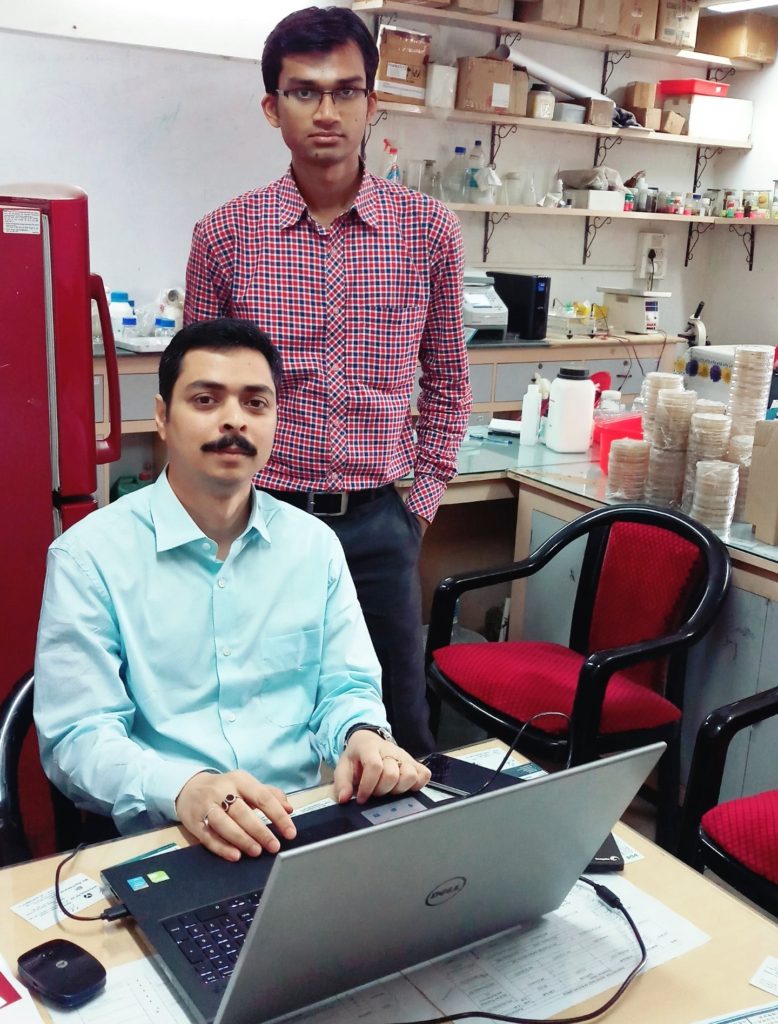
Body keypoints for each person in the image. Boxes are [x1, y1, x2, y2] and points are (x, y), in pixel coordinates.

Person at [34, 319, 430, 863]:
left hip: (305, 822)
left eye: (256, 403)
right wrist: (183, 788)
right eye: (205, 399)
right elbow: (79, 737)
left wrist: (361, 734)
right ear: (161, 416)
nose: (233, 421)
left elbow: (346, 687)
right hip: (174, 836)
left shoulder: (313, 546)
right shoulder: (90, 558)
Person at [184, 6, 471, 757]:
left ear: (373, 104)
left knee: (399, 728)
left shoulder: (429, 231)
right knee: (256, 727)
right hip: (260, 519)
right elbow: (198, 398)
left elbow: (447, 383)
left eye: (347, 91)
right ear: (273, 108)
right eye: (305, 92)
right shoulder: (223, 236)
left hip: (379, 526)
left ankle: (407, 876)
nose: (327, 111)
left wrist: (419, 507)